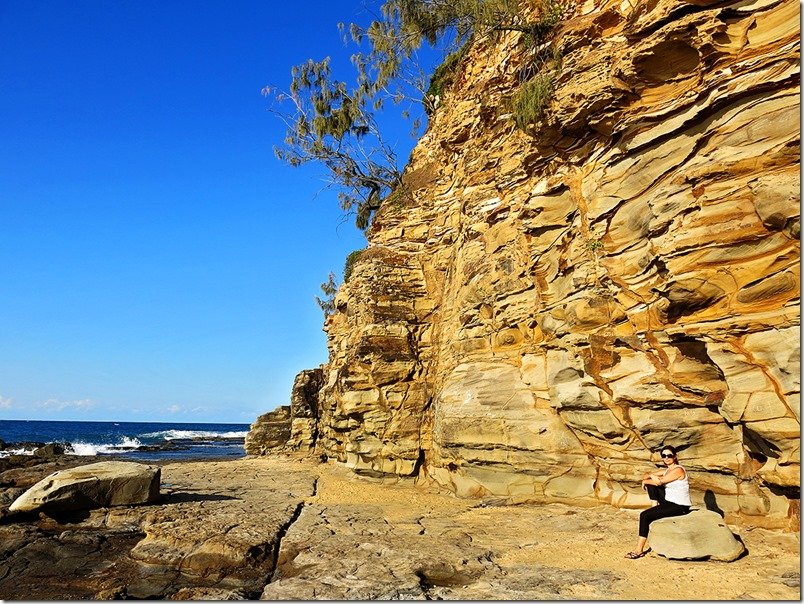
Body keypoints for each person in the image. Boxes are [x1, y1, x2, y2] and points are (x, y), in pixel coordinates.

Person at [625, 445, 692, 559]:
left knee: (644, 515)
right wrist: (647, 479)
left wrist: (649, 478)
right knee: (651, 484)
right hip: (669, 501)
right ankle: (654, 506)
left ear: (675, 456)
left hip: (680, 506)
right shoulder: (667, 470)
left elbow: (660, 482)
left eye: (669, 455)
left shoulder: (678, 470)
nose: (666, 458)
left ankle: (638, 550)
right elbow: (647, 476)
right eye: (664, 456)